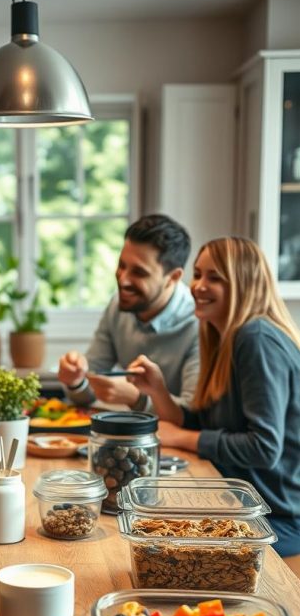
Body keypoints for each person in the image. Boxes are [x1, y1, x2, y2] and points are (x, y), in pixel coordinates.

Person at [128, 236, 300, 557]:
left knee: (158, 551)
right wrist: (158, 390)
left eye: (214, 277)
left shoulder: (256, 338)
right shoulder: (225, 338)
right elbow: (204, 421)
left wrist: (181, 437)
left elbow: (264, 448)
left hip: (278, 521)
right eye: (197, 274)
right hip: (243, 507)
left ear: (243, 283)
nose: (198, 286)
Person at [57, 214, 198, 410]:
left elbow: (192, 413)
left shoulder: (198, 323)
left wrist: (137, 399)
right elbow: (88, 393)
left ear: (172, 278)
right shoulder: (118, 307)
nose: (123, 280)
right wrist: (76, 381)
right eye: (122, 265)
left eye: (139, 272)